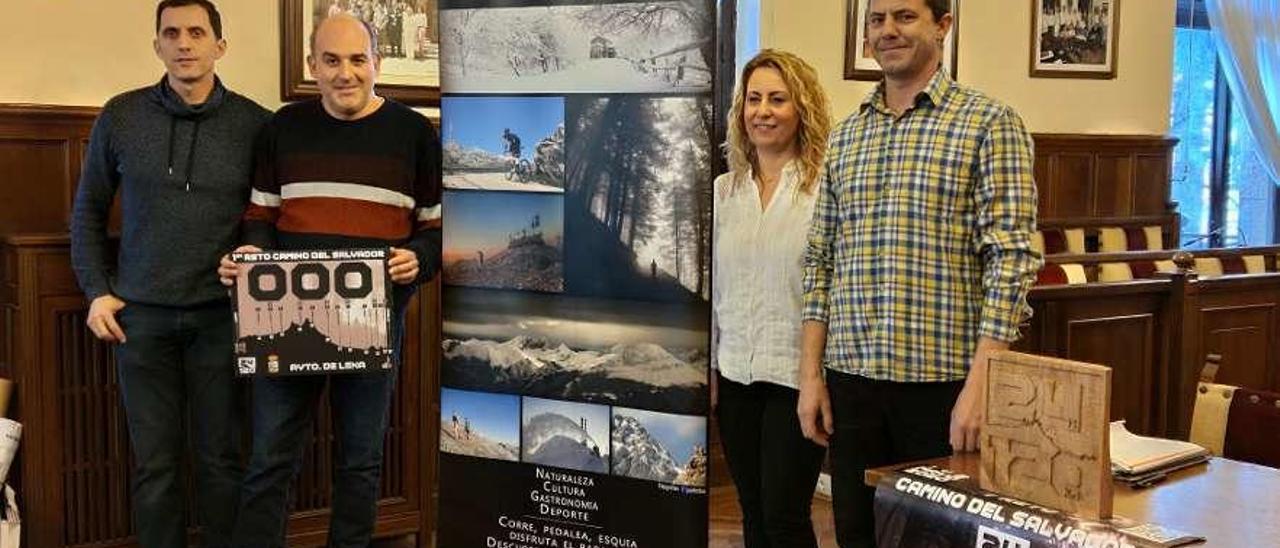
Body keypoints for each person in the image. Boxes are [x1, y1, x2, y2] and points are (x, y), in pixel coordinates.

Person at [795, 1, 1041, 546]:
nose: (888, 31)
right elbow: (820, 259)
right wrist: (811, 375)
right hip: (852, 382)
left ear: (943, 26)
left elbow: (1012, 261)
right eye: (877, 20)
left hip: (944, 392)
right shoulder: (846, 134)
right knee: (857, 536)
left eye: (905, 16)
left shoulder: (989, 124)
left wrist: (982, 386)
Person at [217, 13, 441, 547]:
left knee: (360, 462)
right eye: (333, 60)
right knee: (269, 458)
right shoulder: (281, 128)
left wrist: (419, 258)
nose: (346, 73)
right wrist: (251, 256)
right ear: (313, 65)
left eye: (358, 60)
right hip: (286, 321)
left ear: (377, 64)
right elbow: (260, 217)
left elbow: (433, 230)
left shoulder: (414, 134)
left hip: (374, 322)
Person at [68, 2, 269, 546]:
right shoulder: (121, 116)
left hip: (221, 320)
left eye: (197, 33)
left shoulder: (257, 124)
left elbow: (269, 217)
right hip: (140, 321)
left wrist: (249, 254)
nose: (184, 43)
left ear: (219, 47)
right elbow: (87, 212)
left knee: (222, 462)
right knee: (155, 468)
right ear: (157, 45)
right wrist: (96, 293)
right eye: (171, 33)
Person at [712, 49, 833, 548]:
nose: (763, 110)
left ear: (801, 108)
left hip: (796, 379)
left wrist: (818, 379)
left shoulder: (824, 189)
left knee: (785, 517)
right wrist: (710, 370)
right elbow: (713, 288)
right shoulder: (724, 191)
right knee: (753, 512)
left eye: (778, 99)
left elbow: (830, 288)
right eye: (754, 99)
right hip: (735, 373)